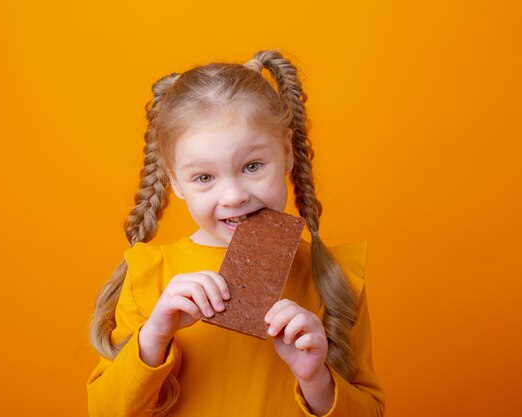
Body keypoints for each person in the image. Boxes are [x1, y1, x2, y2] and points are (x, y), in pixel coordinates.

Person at [87, 49, 385, 417]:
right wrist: (154, 336)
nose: (234, 196)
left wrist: (316, 379)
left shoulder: (333, 277)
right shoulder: (150, 276)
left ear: (287, 153)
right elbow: (105, 412)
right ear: (175, 181)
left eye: (253, 165)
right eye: (204, 177)